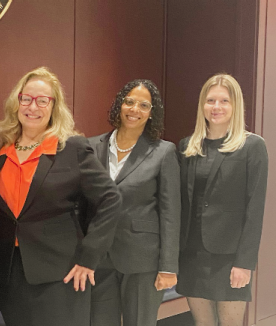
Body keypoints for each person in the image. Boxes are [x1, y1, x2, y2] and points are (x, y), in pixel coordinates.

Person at [0, 67, 121, 326]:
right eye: (26, 98)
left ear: (54, 106)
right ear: (17, 102)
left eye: (42, 100)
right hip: (8, 274)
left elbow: (110, 200)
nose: (32, 106)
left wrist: (89, 258)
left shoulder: (72, 149)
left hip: (62, 274)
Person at [177, 73, 268, 326]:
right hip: (192, 254)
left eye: (224, 101)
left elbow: (255, 210)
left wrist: (244, 263)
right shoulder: (188, 146)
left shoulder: (252, 147)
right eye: (210, 101)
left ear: (235, 105)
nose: (216, 107)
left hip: (229, 258)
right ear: (202, 105)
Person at [88, 79, 180, 326]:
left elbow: (171, 213)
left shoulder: (164, 152)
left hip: (143, 261)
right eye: (129, 102)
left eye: (144, 105)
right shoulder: (91, 147)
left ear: (151, 113)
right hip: (99, 258)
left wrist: (168, 267)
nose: (134, 109)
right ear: (120, 104)